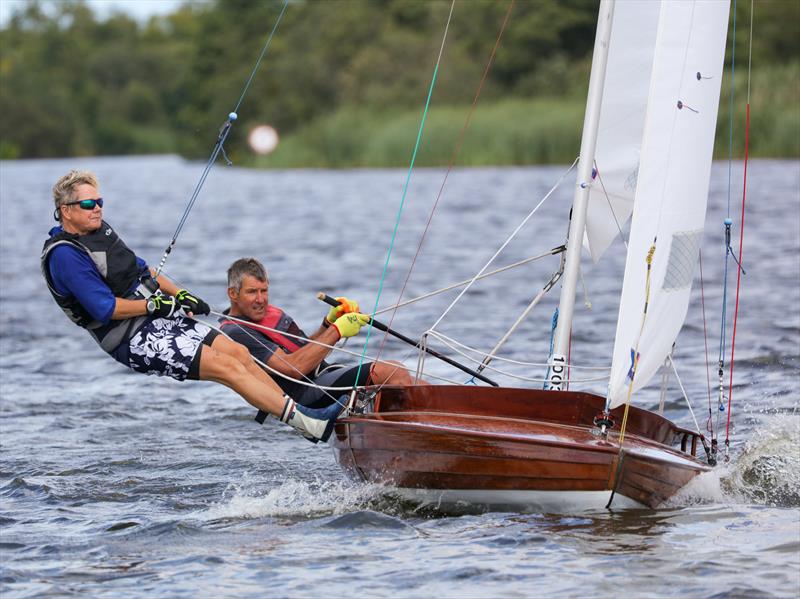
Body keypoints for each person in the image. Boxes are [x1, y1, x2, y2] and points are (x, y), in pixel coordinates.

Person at [42, 170, 343, 443]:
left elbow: (146, 272)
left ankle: (298, 413)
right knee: (225, 366)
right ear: (66, 211)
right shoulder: (65, 256)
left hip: (156, 317)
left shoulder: (99, 231)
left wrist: (183, 294)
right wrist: (152, 306)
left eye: (99, 202)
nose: (97, 208)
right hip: (129, 338)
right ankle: (306, 421)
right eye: (88, 204)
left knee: (238, 352)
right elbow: (105, 309)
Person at [220, 257, 415, 411]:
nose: (261, 299)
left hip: (324, 375)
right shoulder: (235, 333)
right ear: (233, 294)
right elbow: (294, 367)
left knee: (417, 383)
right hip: (306, 395)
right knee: (394, 372)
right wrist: (337, 331)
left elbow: (305, 349)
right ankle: (413, 440)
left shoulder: (269, 314)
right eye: (252, 292)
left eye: (264, 290)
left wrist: (328, 323)